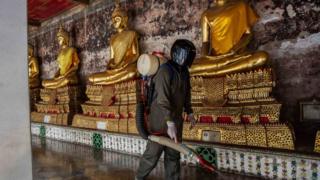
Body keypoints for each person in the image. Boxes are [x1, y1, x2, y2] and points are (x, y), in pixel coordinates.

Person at [136, 39, 197, 180]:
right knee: (152, 154)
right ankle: (139, 177)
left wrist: (190, 112)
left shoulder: (185, 73)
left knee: (173, 154)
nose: (190, 58)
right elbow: (162, 99)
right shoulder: (165, 71)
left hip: (176, 119)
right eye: (188, 55)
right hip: (160, 119)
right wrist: (169, 123)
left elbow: (186, 93)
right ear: (179, 54)